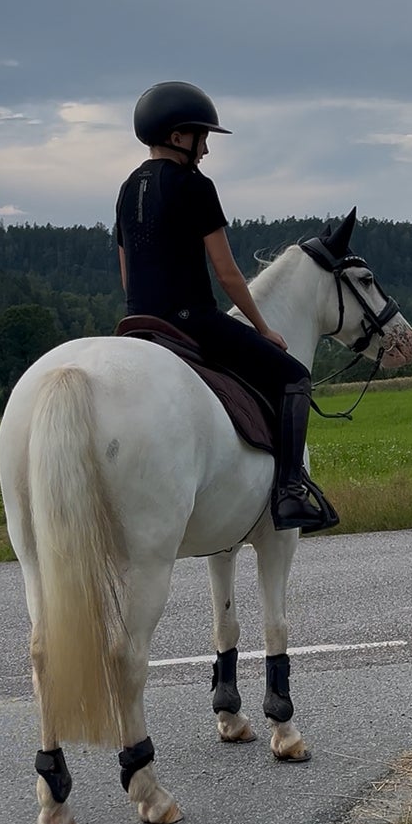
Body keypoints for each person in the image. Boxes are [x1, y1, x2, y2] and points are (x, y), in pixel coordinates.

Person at [115, 81, 339, 534]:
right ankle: (290, 493)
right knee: (294, 375)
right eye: (202, 138)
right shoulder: (195, 186)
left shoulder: (126, 189)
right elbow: (228, 273)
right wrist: (262, 327)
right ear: (178, 136)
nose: (206, 150)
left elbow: (125, 270)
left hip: (137, 322)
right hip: (190, 320)